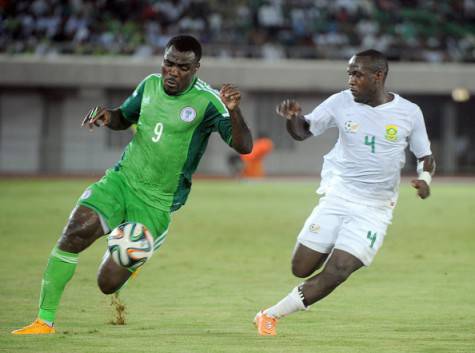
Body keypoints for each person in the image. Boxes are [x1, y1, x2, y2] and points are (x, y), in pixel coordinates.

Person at [12, 34, 253, 335]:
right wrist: (106, 115)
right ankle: (43, 322)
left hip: (157, 202)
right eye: (168, 63)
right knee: (73, 234)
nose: (173, 72)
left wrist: (234, 110)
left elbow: (244, 146)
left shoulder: (208, 102)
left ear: (196, 68)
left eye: (182, 67)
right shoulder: (150, 84)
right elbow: (124, 118)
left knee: (106, 283)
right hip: (122, 180)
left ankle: (133, 254)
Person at [254, 49, 435, 336]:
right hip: (338, 196)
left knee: (338, 270)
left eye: (357, 74)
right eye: (349, 73)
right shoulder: (340, 102)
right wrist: (292, 117)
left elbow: (425, 156)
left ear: (378, 76)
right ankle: (337, 249)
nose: (350, 79)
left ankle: (270, 315)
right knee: (300, 268)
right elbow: (303, 131)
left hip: (375, 208)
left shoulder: (409, 112)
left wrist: (425, 179)